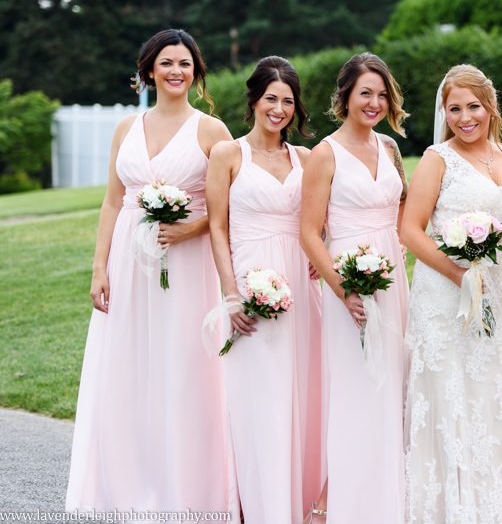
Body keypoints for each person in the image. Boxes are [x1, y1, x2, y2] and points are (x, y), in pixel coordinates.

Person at [66, 29, 236, 516]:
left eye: (185, 63)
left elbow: (230, 209)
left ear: (196, 71)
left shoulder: (211, 131)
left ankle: (189, 488)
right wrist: (99, 267)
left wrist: (190, 230)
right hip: (128, 260)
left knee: (183, 368)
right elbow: (113, 201)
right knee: (130, 365)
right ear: (149, 70)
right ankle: (129, 485)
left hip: (186, 265)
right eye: (166, 63)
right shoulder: (126, 128)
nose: (176, 71)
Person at [402, 64, 502, 523]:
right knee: (453, 396)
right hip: (446, 299)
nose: (464, 117)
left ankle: (498, 506)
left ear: (490, 106)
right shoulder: (438, 158)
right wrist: (458, 275)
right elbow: (410, 230)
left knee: (493, 394)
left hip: (499, 300)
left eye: (473, 106)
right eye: (454, 109)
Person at [206, 56, 326, 523]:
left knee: (301, 392)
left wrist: (321, 262)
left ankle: (301, 504)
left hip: (300, 284)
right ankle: (259, 508)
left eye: (288, 101)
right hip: (251, 282)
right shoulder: (228, 155)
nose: (278, 109)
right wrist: (231, 293)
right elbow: (217, 227)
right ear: (254, 99)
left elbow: (319, 222)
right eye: (271, 98)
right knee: (258, 398)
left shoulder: (308, 158)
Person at [299, 52, 410, 524]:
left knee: (395, 382)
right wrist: (343, 288)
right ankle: (335, 502)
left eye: (383, 94)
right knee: (357, 387)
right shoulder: (324, 154)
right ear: (344, 96)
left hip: (393, 280)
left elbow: (402, 208)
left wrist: (400, 257)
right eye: (366, 92)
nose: (375, 102)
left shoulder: (389, 150)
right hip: (348, 282)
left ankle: (388, 495)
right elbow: (307, 232)